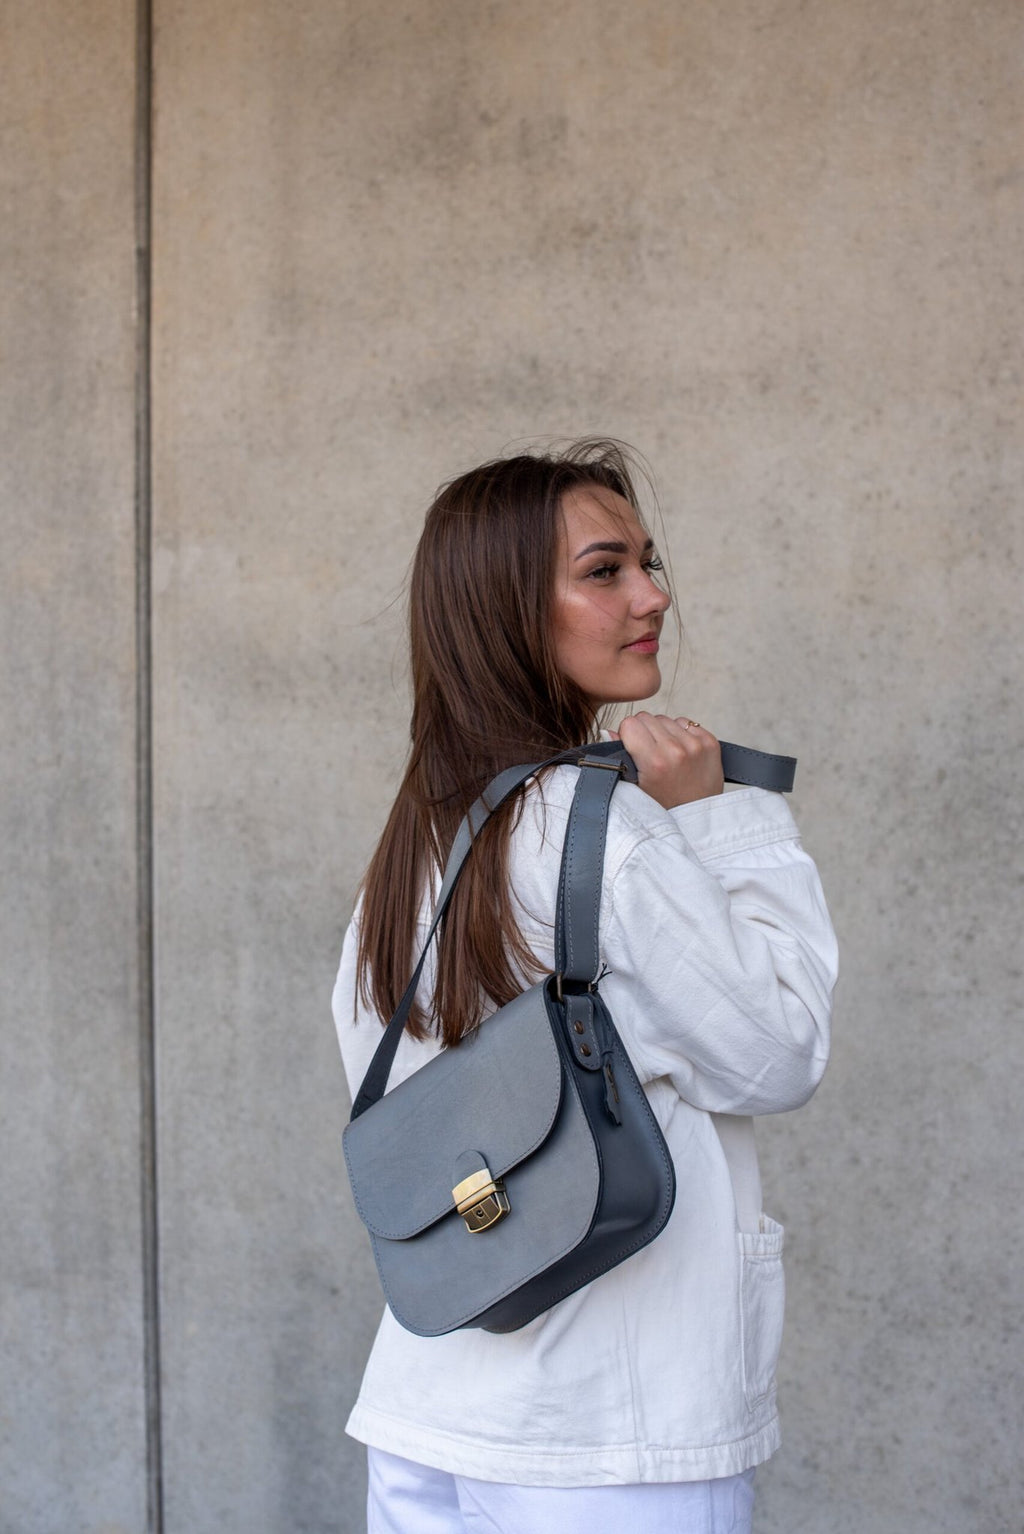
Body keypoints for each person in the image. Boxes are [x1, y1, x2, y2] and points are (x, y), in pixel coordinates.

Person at [333, 440, 838, 1534]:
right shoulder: (599, 832)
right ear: (508, 609)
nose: (652, 595)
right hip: (610, 1430)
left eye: (646, 563)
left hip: (433, 1402)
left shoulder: (421, 833)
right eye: (604, 570)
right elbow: (781, 1046)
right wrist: (716, 815)